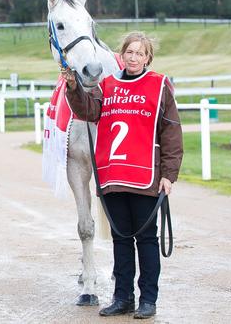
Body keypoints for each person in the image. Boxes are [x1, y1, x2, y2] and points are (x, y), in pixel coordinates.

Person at [64, 31, 183, 319]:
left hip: (145, 176)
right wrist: (74, 89)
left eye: (139, 53)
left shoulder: (159, 86)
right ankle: (122, 297)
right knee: (120, 240)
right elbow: (88, 111)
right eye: (129, 52)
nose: (133, 57)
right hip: (114, 175)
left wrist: (169, 173)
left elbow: (171, 132)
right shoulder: (107, 84)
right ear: (122, 55)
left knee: (146, 239)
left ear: (147, 58)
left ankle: (148, 299)